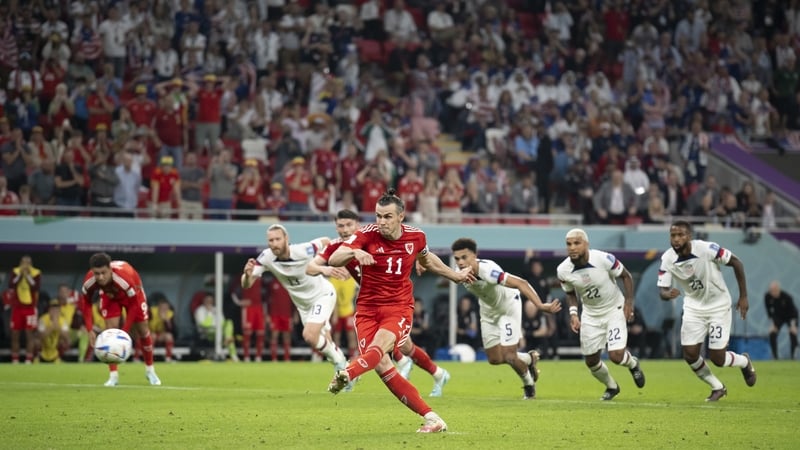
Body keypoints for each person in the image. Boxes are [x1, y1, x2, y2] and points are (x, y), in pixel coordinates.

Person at [325, 189, 475, 433]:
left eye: (387, 217)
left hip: (398, 307)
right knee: (381, 365)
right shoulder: (366, 234)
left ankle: (348, 373)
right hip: (367, 309)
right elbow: (334, 258)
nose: (381, 222)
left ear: (400, 217)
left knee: (379, 347)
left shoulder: (416, 237)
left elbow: (427, 259)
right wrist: (354, 251)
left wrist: (455, 276)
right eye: (378, 216)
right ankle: (433, 418)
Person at [307, 209, 452, 396]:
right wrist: (325, 270)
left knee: (393, 347)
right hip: (372, 303)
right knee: (398, 347)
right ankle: (434, 373)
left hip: (394, 301)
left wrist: (418, 259)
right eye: (340, 226)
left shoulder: (371, 238)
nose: (345, 230)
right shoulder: (337, 247)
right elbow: (311, 267)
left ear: (357, 225)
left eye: (349, 225)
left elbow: (407, 247)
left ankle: (362, 371)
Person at [449, 238, 562, 400]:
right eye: (457, 258)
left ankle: (529, 385)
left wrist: (540, 305)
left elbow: (521, 283)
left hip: (508, 307)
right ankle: (529, 358)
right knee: (494, 359)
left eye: (464, 257)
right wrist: (422, 263)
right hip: (488, 311)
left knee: (509, 356)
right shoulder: (458, 272)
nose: (460, 262)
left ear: (475, 255)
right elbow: (439, 268)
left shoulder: (488, 271)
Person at [657, 220, 756, 401]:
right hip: (693, 308)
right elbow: (662, 290)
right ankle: (717, 387)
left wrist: (743, 296)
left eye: (680, 235)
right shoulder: (667, 259)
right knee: (690, 354)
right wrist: (667, 293)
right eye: (673, 235)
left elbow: (737, 263)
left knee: (718, 359)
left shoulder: (707, 249)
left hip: (718, 306)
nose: (676, 239)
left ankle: (743, 361)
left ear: (689, 236)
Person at [240, 225, 348, 372]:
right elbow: (246, 285)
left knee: (309, 335)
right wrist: (247, 275)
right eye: (271, 240)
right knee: (324, 343)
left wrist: (330, 263)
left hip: (322, 295)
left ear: (286, 238)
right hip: (303, 306)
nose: (274, 243)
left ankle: (342, 363)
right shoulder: (266, 257)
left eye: (278, 239)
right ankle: (345, 372)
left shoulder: (303, 250)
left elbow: (326, 241)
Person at [557, 228, 646, 401]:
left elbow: (626, 276)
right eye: (569, 244)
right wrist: (574, 314)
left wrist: (629, 303)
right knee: (591, 361)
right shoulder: (563, 270)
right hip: (590, 315)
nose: (572, 247)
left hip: (614, 309)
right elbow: (570, 293)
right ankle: (612, 386)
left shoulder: (604, 259)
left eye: (577, 243)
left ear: (586, 244)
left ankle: (633, 364)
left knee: (616, 356)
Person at [77, 253, 162, 386]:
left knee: (143, 330)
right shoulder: (89, 282)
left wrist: (124, 332)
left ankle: (150, 370)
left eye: (103, 273)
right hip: (109, 296)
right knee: (111, 331)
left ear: (110, 269)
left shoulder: (124, 279)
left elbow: (133, 305)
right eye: (97, 273)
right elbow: (86, 303)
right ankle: (113, 376)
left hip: (133, 295)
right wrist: (89, 329)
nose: (100, 277)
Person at [7, 255, 41, 364]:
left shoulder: (36, 273)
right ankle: (15, 359)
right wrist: (20, 275)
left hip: (30, 308)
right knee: (15, 334)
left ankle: (28, 359)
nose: (25, 265)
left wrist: (28, 276)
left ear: (31, 264)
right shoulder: (15, 272)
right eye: (23, 263)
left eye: (28, 263)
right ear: (20, 263)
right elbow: (11, 284)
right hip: (17, 308)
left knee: (29, 334)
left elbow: (36, 287)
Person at [231, 268, 267, 362]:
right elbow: (232, 292)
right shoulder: (242, 277)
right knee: (247, 333)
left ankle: (258, 357)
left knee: (260, 333)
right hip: (248, 308)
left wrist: (265, 310)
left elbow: (266, 294)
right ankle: (246, 357)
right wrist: (239, 302)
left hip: (259, 308)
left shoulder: (260, 277)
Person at [194, 292, 239, 361]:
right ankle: (233, 355)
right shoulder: (200, 310)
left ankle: (228, 339)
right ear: (204, 301)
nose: (209, 302)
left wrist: (222, 330)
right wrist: (209, 313)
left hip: (220, 332)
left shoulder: (216, 309)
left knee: (229, 323)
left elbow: (222, 321)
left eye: (211, 301)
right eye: (207, 300)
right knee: (229, 337)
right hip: (207, 332)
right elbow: (203, 324)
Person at [764, 280, 797, 360]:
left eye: (774, 290)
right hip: (778, 317)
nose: (772, 292)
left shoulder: (787, 297)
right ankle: (775, 357)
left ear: (778, 289)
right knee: (772, 333)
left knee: (793, 333)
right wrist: (772, 324)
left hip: (790, 317)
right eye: (771, 290)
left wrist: (793, 326)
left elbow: (794, 313)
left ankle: (793, 356)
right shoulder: (767, 297)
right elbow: (769, 312)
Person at [149, 297, 176, 362]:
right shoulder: (152, 311)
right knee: (153, 336)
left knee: (169, 336)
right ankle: (149, 358)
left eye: (166, 308)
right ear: (158, 307)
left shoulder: (170, 314)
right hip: (150, 333)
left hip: (161, 334)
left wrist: (166, 321)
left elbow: (171, 330)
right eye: (162, 308)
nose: (164, 310)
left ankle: (168, 358)